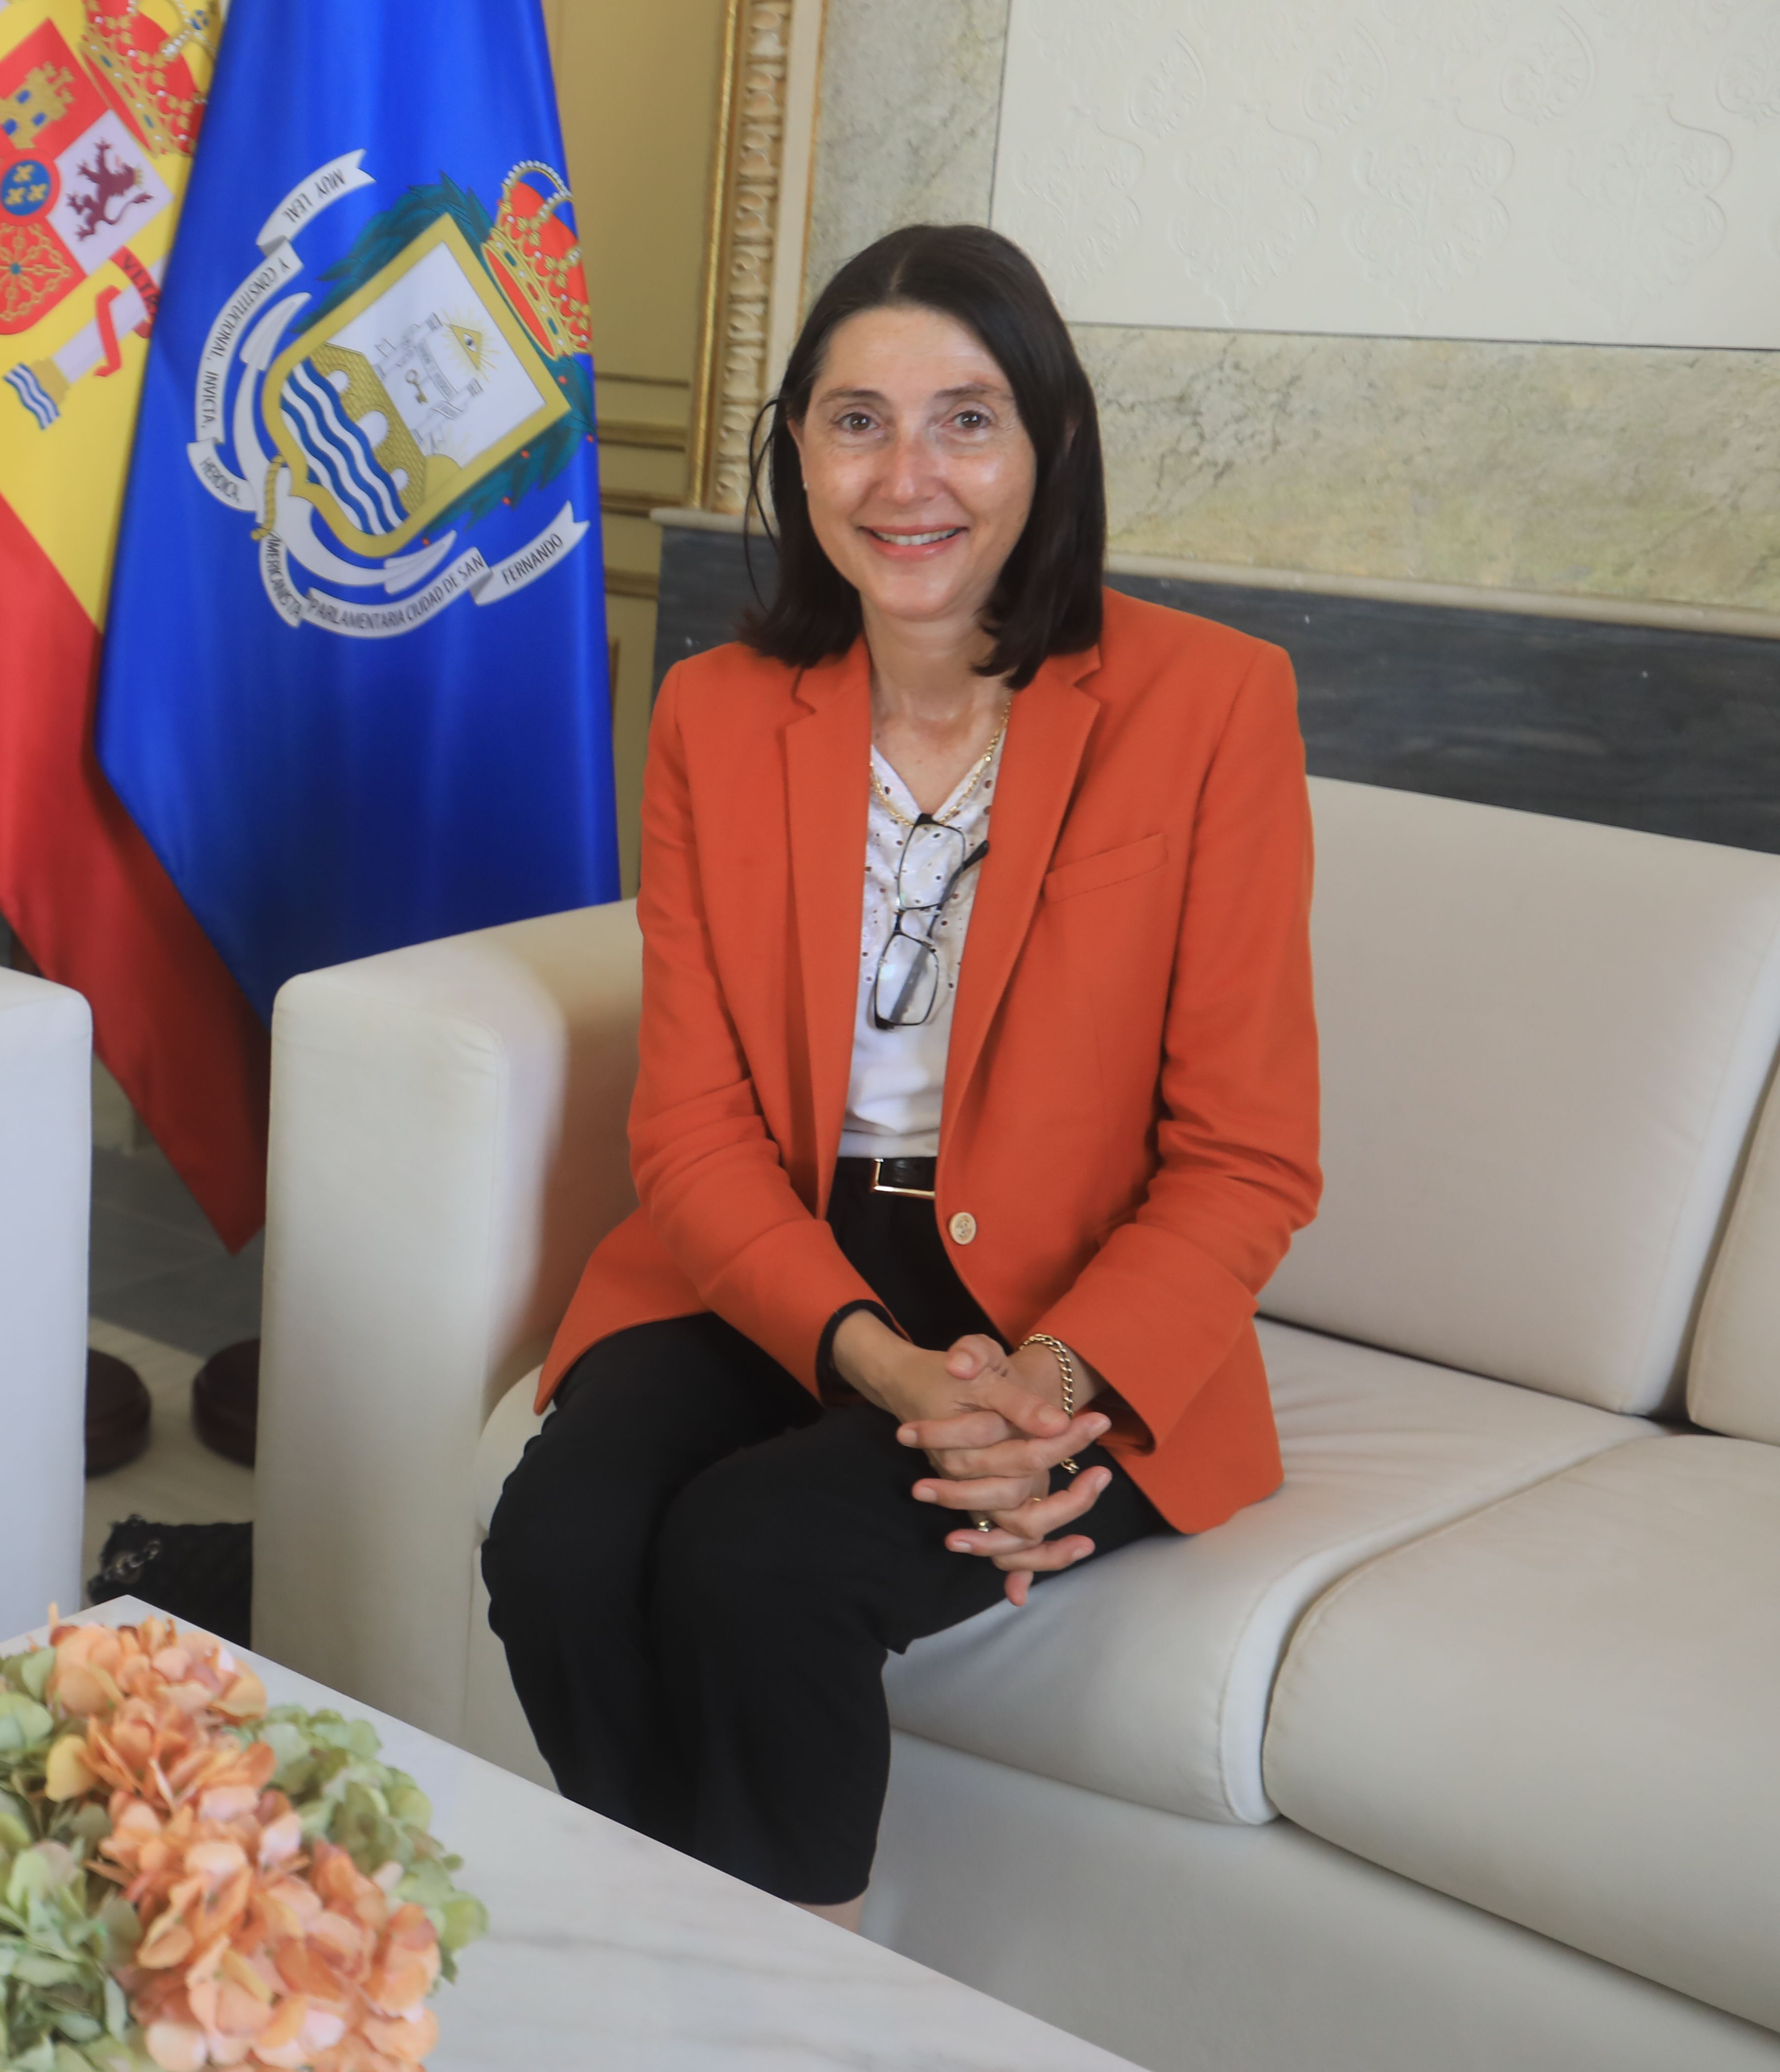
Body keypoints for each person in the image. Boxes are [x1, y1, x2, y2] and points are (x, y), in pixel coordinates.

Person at [478, 224, 1321, 1927]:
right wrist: (879, 1363)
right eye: (856, 420)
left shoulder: (1211, 704)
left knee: (757, 1561)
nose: (907, 474)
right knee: (554, 1551)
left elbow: (1248, 1158)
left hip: (1070, 1306)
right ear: (796, 452)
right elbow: (696, 1128)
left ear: (1051, 445)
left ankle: (781, 2005)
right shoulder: (721, 710)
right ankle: (686, 1974)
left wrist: (1052, 1381)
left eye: (966, 417)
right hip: (781, 1264)